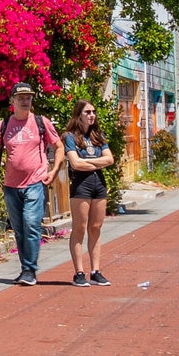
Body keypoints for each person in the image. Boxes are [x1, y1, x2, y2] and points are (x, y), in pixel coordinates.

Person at [0, 81, 59, 286]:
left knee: (31, 224)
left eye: (29, 98)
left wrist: (54, 170)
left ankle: (29, 270)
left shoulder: (42, 122)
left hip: (35, 182)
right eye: (21, 98)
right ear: (12, 101)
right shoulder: (4, 125)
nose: (26, 101)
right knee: (19, 229)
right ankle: (26, 268)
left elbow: (58, 147)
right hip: (11, 186)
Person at [60, 99, 116, 286]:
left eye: (93, 112)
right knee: (80, 228)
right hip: (81, 185)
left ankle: (96, 271)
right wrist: (97, 161)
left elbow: (110, 160)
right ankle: (79, 273)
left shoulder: (98, 135)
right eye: (87, 112)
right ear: (79, 115)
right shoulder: (70, 137)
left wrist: (90, 163)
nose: (92, 115)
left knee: (96, 227)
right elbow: (75, 163)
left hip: (98, 184)